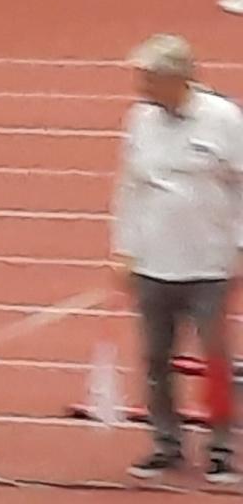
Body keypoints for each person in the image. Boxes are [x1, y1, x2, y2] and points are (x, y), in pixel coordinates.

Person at [112, 34, 243, 484]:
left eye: (148, 77)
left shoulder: (223, 119)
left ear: (177, 78)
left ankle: (221, 448)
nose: (141, 86)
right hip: (154, 262)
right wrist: (124, 248)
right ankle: (165, 444)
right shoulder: (140, 120)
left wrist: (240, 246)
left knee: (215, 360)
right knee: (155, 360)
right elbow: (130, 188)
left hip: (209, 262)